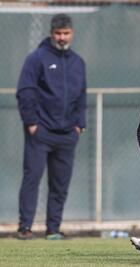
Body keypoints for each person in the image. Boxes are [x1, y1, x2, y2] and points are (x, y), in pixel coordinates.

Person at [16, 14, 87, 240]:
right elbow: (25, 91)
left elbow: (82, 96)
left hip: (68, 134)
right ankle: (25, 228)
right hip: (41, 132)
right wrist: (32, 123)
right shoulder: (36, 58)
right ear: (51, 33)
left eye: (66, 33)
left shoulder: (78, 62)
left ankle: (53, 229)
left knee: (60, 184)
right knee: (32, 179)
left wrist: (79, 125)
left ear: (72, 33)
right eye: (58, 33)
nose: (62, 38)